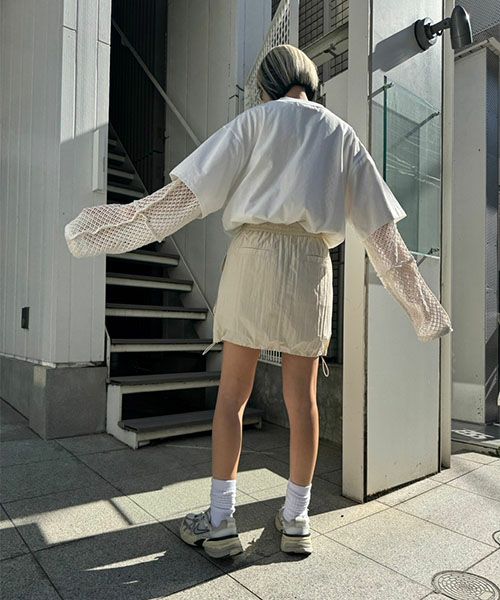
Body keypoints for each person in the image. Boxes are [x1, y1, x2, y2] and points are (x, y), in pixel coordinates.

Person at [64, 44, 452, 559]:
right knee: (303, 400)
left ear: (265, 87)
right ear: (310, 85)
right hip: (311, 265)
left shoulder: (253, 122)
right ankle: (296, 519)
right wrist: (427, 313)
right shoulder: (341, 134)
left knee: (233, 396)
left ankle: (221, 521)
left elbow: (179, 200)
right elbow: (383, 238)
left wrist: (98, 230)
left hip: (253, 256)